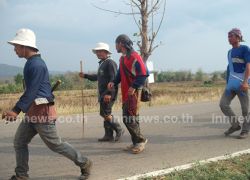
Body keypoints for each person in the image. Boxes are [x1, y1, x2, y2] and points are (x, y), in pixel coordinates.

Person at [2, 28, 92, 180]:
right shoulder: (32, 63)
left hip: (42, 113)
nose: (14, 49)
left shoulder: (35, 65)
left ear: (24, 46)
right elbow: (33, 92)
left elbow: (31, 91)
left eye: (16, 46)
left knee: (55, 144)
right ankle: (21, 175)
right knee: (19, 141)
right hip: (33, 111)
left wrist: (16, 110)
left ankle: (84, 162)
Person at [108, 34, 148, 154]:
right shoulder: (122, 58)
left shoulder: (135, 57)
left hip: (134, 94)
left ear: (120, 43)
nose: (115, 47)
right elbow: (120, 75)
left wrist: (134, 86)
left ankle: (140, 141)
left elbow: (144, 74)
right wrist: (113, 82)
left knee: (128, 118)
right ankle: (136, 142)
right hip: (126, 93)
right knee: (132, 118)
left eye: (116, 44)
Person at [79, 42, 124, 142]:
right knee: (104, 113)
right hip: (103, 93)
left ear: (106, 52)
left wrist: (109, 93)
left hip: (108, 93)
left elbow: (114, 79)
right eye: (97, 52)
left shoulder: (110, 63)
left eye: (100, 51)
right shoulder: (102, 63)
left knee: (105, 113)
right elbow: (97, 77)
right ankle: (108, 135)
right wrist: (85, 76)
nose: (98, 53)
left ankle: (119, 129)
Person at [220, 28, 250, 139]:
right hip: (231, 84)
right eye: (228, 36)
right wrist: (228, 83)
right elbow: (229, 68)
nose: (229, 38)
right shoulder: (229, 52)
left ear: (238, 37)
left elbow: (248, 65)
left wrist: (246, 82)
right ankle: (235, 125)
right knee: (223, 104)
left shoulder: (245, 49)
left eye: (231, 36)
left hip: (242, 84)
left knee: (245, 109)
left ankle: (245, 130)